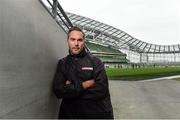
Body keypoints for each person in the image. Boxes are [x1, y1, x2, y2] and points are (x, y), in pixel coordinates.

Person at [53, 26, 114, 119]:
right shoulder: (63, 63)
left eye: (80, 40)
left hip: (95, 114)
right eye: (72, 39)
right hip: (69, 115)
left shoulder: (96, 62)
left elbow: (101, 89)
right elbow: (58, 90)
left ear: (83, 42)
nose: (76, 43)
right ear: (67, 41)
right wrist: (84, 85)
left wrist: (70, 89)